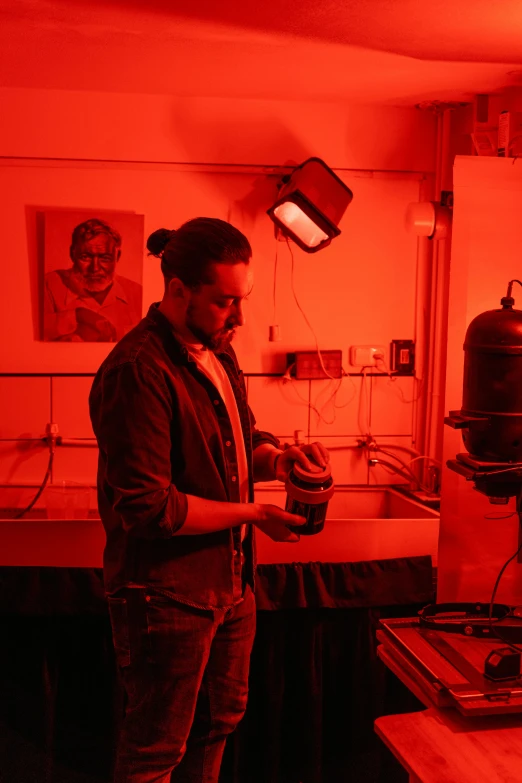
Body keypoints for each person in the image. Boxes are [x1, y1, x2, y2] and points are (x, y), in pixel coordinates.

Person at [89, 217, 330, 783]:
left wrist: (278, 460)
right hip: (166, 595)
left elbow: (241, 441)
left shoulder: (216, 351)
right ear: (179, 290)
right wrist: (255, 514)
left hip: (231, 584)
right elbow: (150, 507)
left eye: (240, 300)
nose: (239, 317)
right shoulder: (137, 369)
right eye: (225, 302)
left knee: (218, 724)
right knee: (156, 752)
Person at [44, 217, 142, 342]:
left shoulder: (136, 293)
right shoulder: (49, 285)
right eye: (85, 257)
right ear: (72, 254)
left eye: (104, 258)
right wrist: (78, 315)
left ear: (117, 256)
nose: (95, 268)